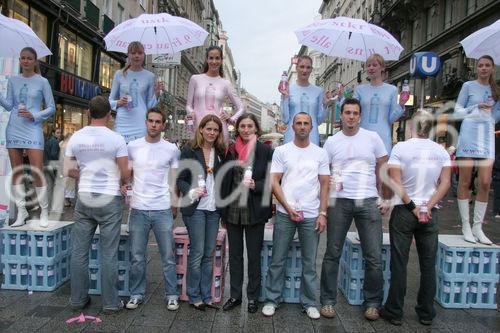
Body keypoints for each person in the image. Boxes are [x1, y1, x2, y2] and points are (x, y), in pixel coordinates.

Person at [320, 98, 389, 321]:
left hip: (367, 200)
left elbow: (384, 166)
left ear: (360, 116)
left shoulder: (373, 138)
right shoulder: (331, 142)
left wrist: (383, 195)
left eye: (355, 113)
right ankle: (328, 301)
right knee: (332, 253)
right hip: (339, 201)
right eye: (347, 112)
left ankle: (372, 303)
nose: (351, 116)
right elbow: (324, 171)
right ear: (341, 115)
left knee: (374, 256)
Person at [380, 111, 451, 326]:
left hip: (404, 210)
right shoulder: (441, 151)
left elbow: (395, 181)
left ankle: (394, 311)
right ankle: (426, 313)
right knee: (428, 265)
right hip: (430, 212)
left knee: (399, 262)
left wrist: (412, 206)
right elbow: (445, 183)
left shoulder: (400, 148)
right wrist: (427, 207)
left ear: (412, 126)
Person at [64, 96, 130, 313]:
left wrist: (84, 173)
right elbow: (125, 172)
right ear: (109, 114)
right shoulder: (116, 138)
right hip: (110, 197)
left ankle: (77, 300)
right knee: (108, 252)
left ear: (89, 113)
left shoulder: (76, 137)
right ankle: (111, 303)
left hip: (84, 196)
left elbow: (68, 169)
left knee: (80, 251)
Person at [261, 112, 329, 320]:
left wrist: (323, 213)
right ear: (292, 127)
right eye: (298, 123)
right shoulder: (282, 151)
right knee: (278, 259)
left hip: (310, 213)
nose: (302, 126)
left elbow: (325, 183)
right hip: (284, 213)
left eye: (306, 123)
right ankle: (272, 299)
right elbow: (274, 182)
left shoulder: (320, 153)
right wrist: (287, 207)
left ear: (311, 127)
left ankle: (309, 302)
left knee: (309, 262)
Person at [124, 108, 180, 311]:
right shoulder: (133, 146)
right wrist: (125, 185)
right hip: (138, 208)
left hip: (162, 208)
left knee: (168, 256)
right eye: (151, 121)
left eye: (158, 121)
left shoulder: (172, 149)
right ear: (145, 122)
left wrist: (174, 205)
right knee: (137, 256)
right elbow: (127, 174)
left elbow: (174, 180)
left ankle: (171, 294)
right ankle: (136, 293)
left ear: (163, 125)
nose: (154, 124)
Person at [221, 113, 273, 313]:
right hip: (232, 209)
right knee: (234, 256)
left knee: (253, 256)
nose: (245, 129)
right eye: (242, 126)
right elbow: (223, 180)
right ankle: (235, 296)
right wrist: (221, 211)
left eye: (250, 126)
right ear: (238, 128)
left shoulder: (266, 150)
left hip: (255, 210)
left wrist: (256, 185)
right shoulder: (230, 150)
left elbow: (273, 180)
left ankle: (253, 296)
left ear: (256, 128)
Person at [0, 47, 55, 227]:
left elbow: (51, 107)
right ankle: (22, 212)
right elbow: (9, 105)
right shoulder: (13, 80)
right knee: (17, 172)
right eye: (22, 58)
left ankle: (43, 211)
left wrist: (35, 115)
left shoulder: (42, 82)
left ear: (35, 61)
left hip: (33, 128)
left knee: (36, 171)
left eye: (29, 58)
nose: (25, 61)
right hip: (14, 127)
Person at [176, 114, 226, 311]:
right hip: (196, 207)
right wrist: (190, 190)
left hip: (213, 209)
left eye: (215, 130)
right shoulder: (189, 150)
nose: (212, 133)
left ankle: (206, 296)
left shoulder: (220, 151)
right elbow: (180, 178)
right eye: (209, 129)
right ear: (201, 129)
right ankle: (194, 295)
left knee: (209, 253)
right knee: (197, 253)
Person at [454, 55, 500, 244]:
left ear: (492, 68)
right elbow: (457, 112)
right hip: (468, 136)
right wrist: (475, 107)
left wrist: (489, 118)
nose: (483, 68)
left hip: (486, 138)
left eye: (487, 65)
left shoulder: (496, 90)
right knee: (464, 182)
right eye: (480, 65)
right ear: (477, 68)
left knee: (485, 182)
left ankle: (477, 226)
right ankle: (466, 225)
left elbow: (497, 115)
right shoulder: (468, 86)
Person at [186, 46, 244, 142]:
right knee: (197, 155)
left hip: (219, 130)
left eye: (217, 58)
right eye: (211, 58)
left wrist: (232, 118)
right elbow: (188, 105)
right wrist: (191, 113)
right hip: (198, 127)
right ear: (207, 59)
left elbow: (241, 108)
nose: (214, 61)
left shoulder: (226, 83)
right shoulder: (195, 79)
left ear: (221, 61)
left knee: (217, 156)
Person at [353, 53, 409, 153]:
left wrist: (401, 104)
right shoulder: (359, 90)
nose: (371, 68)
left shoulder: (392, 90)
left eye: (374, 65)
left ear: (382, 67)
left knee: (382, 167)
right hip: (362, 136)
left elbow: (391, 119)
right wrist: (341, 99)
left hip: (382, 137)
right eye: (368, 65)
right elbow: (352, 110)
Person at [109, 41, 163, 143]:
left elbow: (149, 106)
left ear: (144, 55)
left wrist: (156, 94)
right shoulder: (119, 74)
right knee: (121, 153)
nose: (137, 56)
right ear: (128, 55)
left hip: (140, 122)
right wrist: (119, 102)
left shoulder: (150, 76)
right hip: (122, 122)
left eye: (140, 53)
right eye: (133, 53)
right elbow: (110, 101)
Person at [280, 55, 330, 145]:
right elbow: (285, 119)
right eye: (302, 67)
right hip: (292, 138)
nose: (305, 70)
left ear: (311, 69)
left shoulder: (318, 91)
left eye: (308, 67)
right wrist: (285, 98)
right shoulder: (288, 89)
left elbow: (319, 120)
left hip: (312, 139)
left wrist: (325, 105)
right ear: (296, 68)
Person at [44, 128, 61, 211]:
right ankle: (52, 207)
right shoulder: (54, 141)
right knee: (54, 187)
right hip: (52, 165)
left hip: (46, 165)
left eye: (60, 133)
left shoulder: (48, 141)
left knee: (49, 187)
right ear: (53, 133)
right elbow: (54, 154)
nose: (59, 134)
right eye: (57, 132)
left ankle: (48, 207)